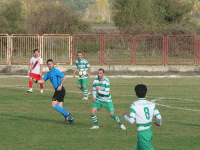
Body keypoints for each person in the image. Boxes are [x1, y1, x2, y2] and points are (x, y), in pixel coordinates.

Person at [32, 59, 74, 124]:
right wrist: (36, 81)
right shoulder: (49, 73)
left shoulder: (56, 71)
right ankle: (70, 119)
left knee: (53, 105)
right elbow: (43, 80)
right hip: (58, 90)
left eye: (51, 64)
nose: (50, 65)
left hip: (60, 90)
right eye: (49, 64)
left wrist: (61, 85)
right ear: (47, 65)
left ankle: (67, 114)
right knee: (60, 107)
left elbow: (64, 77)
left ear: (53, 64)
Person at [123, 84, 162, 150]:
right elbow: (159, 117)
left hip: (142, 133)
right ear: (146, 93)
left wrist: (125, 116)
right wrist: (158, 123)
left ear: (136, 94)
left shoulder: (134, 105)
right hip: (149, 132)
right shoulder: (151, 104)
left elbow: (131, 121)